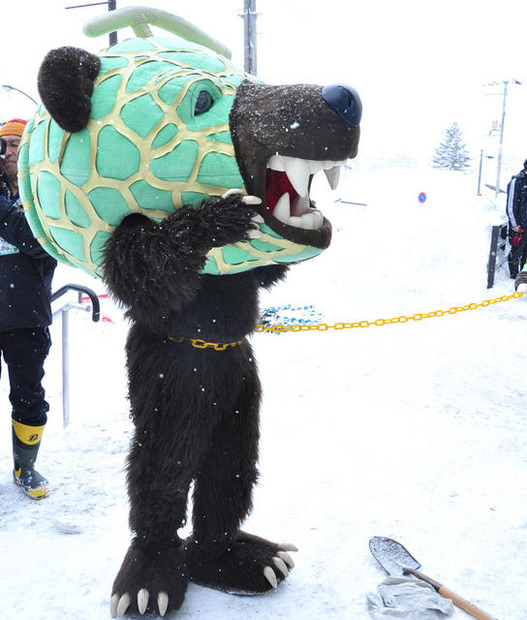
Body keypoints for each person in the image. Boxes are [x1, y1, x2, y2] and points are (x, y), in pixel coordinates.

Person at [0, 119, 57, 499]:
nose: (6, 152)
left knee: (29, 395)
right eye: (2, 145)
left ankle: (26, 466)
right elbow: (26, 236)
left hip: (27, 313)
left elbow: (44, 243)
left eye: (14, 144)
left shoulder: (46, 193)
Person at [506, 159, 527, 278]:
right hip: (518, 226)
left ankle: (523, 275)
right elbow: (510, 205)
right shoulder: (517, 181)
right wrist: (514, 224)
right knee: (516, 251)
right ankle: (513, 274)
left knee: (525, 252)